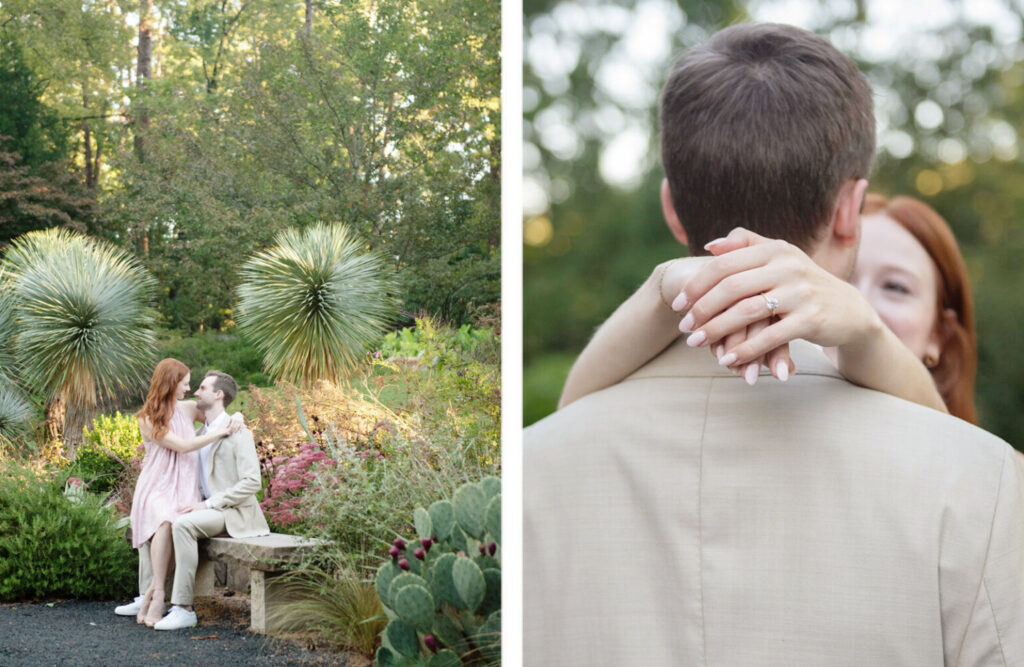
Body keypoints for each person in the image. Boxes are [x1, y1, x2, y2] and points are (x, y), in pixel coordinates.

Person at [524, 23, 1024, 665]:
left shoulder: (535, 467)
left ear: (673, 208)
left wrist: (659, 297)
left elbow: (569, 412)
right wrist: (868, 333)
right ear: (852, 211)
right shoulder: (981, 485)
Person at [558, 194, 977, 423]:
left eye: (896, 287)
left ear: (940, 333)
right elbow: (568, 417)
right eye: (842, 278)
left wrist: (868, 329)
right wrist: (662, 288)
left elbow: (958, 453)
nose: (851, 299)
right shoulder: (763, 416)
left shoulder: (1003, 479)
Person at [125, 358, 242, 627]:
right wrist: (220, 433)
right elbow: (183, 446)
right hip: (157, 483)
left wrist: (236, 417)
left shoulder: (188, 409)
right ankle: (157, 593)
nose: (189, 389)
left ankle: (153, 594)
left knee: (172, 521)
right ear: (171, 383)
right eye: (185, 383)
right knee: (163, 519)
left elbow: (217, 415)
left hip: (184, 483)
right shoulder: (146, 418)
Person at [152, 369, 270, 631]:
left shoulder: (239, 432)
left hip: (233, 512)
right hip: (205, 510)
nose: (195, 392)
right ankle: (147, 596)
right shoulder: (197, 435)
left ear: (218, 395)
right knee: (161, 519)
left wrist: (207, 504)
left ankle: (183, 609)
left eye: (202, 388)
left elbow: (252, 483)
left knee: (182, 524)